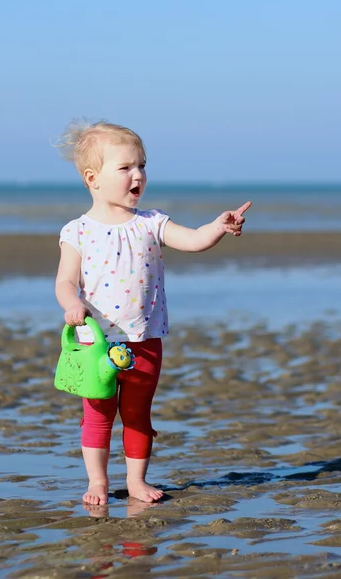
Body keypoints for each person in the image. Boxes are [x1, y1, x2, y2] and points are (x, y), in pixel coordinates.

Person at [54, 120, 251, 505]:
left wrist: (216, 227)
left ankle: (136, 480)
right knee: (98, 415)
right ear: (92, 178)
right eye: (125, 167)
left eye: (142, 165)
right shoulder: (77, 231)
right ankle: (97, 482)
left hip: (144, 340)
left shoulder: (151, 222)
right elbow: (64, 281)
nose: (138, 175)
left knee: (137, 414)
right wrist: (72, 304)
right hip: (96, 344)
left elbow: (193, 241)